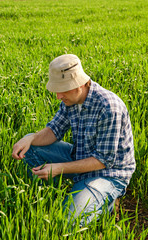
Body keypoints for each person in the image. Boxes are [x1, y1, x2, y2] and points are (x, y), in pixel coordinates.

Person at [12, 54, 136, 225]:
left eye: (62, 89)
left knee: (67, 222)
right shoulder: (70, 100)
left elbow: (103, 161)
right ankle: (49, 195)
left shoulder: (109, 107)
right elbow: (54, 130)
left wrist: (58, 168)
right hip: (80, 157)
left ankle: (108, 200)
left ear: (79, 84)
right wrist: (31, 138)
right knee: (30, 145)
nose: (57, 96)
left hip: (108, 173)